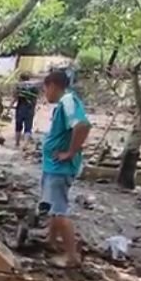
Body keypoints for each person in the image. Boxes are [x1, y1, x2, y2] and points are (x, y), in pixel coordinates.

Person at [41, 70, 91, 268]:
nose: (45, 94)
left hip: (60, 168)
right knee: (54, 207)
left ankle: (71, 257)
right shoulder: (65, 103)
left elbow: (83, 125)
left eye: (45, 89)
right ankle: (51, 241)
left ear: (52, 86)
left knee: (59, 211)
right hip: (55, 166)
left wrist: (70, 152)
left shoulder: (68, 100)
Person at [12, 73, 39, 147]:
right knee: (28, 127)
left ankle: (17, 143)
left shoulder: (19, 86)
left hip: (20, 108)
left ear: (21, 78)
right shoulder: (33, 87)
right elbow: (35, 99)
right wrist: (33, 108)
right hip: (30, 109)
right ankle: (25, 144)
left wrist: (9, 107)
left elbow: (15, 98)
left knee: (18, 126)